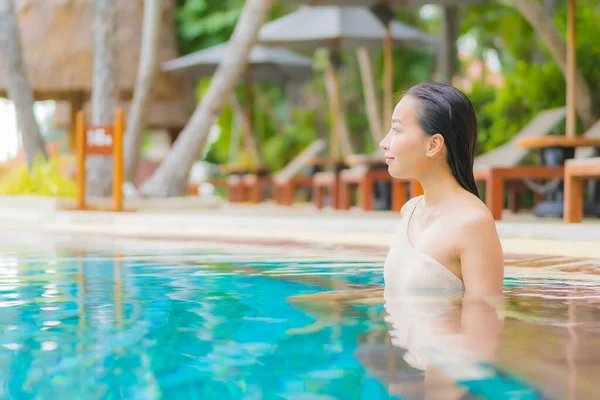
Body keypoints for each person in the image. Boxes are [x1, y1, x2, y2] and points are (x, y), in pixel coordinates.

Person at [381, 82, 504, 296]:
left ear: (433, 145)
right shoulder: (410, 211)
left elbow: (484, 322)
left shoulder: (473, 222)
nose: (384, 142)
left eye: (396, 130)